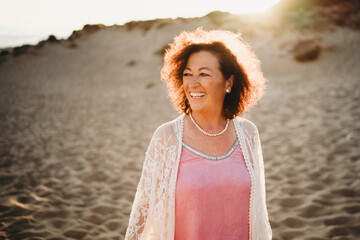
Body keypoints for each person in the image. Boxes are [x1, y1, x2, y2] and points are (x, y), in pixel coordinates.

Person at [125, 28, 272, 240]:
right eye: (187, 74)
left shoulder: (248, 133)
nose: (193, 84)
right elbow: (143, 215)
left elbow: (259, 211)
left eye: (204, 74)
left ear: (228, 83)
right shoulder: (167, 137)